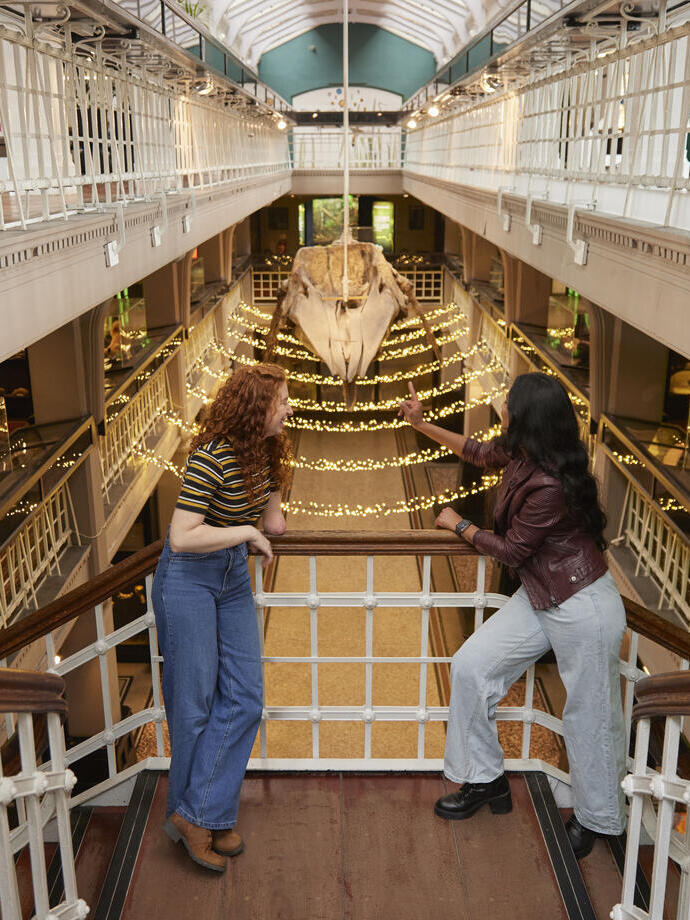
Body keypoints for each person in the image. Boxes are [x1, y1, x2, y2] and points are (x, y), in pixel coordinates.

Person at [398, 373, 626, 858]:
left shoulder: (550, 484)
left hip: (583, 604)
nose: (501, 403)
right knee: (470, 667)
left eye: (508, 400)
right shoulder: (527, 452)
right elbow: (478, 451)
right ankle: (485, 780)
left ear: (525, 416)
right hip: (542, 594)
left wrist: (459, 524)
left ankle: (598, 819)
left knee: (590, 714)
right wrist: (422, 425)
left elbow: (511, 549)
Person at [152, 363, 293, 872]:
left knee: (246, 697)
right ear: (256, 410)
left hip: (231, 577)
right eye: (281, 402)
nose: (289, 407)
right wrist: (245, 533)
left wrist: (270, 511)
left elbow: (273, 520)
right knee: (193, 706)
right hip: (187, 577)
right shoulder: (212, 457)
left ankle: (197, 813)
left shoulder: (271, 452)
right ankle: (199, 819)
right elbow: (182, 536)